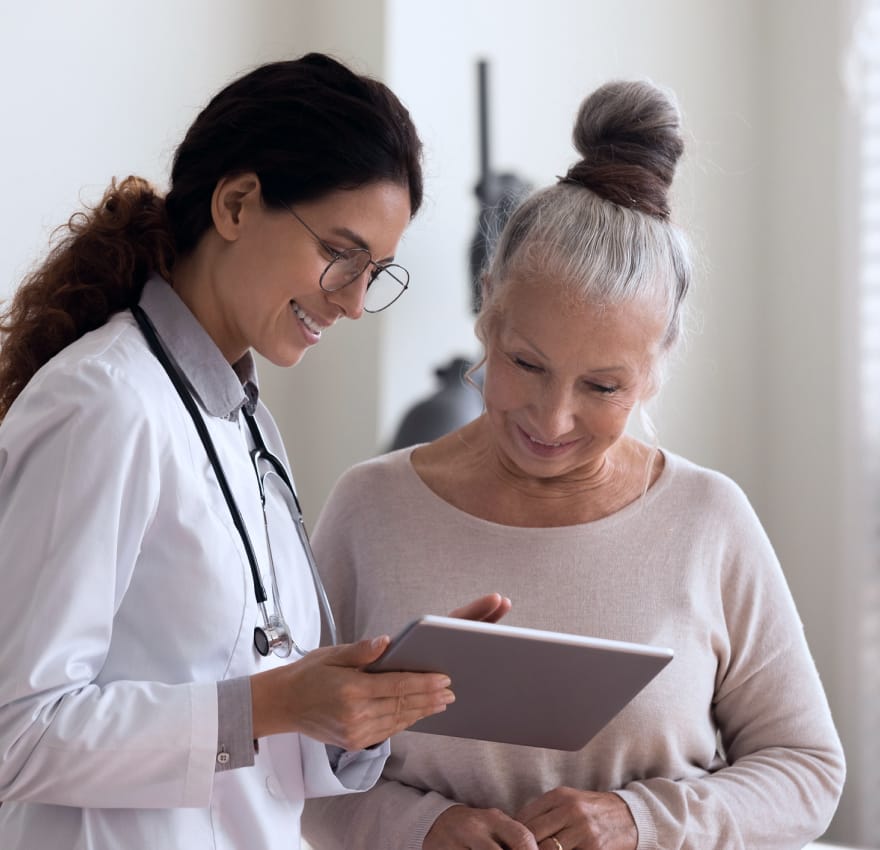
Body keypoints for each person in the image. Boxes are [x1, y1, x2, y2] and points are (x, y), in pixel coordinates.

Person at [301, 79, 846, 849]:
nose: (551, 419)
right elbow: (296, 767)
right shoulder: (372, 507)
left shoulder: (707, 520)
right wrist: (422, 828)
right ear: (487, 310)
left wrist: (642, 822)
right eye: (524, 363)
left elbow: (807, 770)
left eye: (602, 386)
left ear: (656, 370)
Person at [0, 53, 508, 850]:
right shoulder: (102, 405)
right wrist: (271, 704)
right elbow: (17, 736)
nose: (350, 303)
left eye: (374, 274)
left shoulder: (246, 426)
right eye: (340, 254)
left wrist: (357, 705)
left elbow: (251, 748)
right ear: (237, 203)